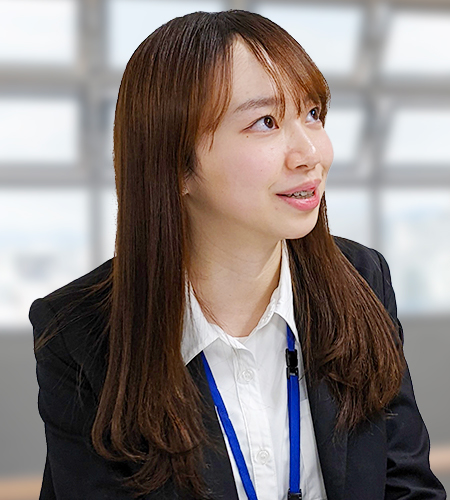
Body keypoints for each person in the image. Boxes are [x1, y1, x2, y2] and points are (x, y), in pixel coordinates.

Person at [29, 9, 446, 500]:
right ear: (176, 164)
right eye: (266, 122)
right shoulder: (81, 335)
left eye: (312, 114)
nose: (311, 153)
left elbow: (406, 486)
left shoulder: (363, 280)